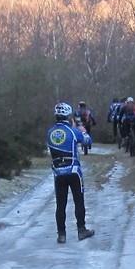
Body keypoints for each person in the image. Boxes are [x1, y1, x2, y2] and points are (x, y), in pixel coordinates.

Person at [47, 101, 94, 243]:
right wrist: (83, 131)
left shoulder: (50, 132)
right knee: (79, 201)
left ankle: (61, 234)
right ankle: (81, 230)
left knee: (60, 204)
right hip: (74, 171)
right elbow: (88, 141)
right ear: (68, 116)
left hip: (58, 173)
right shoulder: (73, 131)